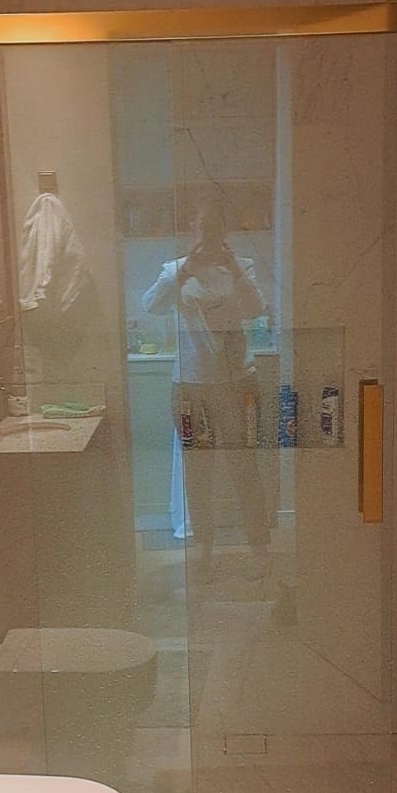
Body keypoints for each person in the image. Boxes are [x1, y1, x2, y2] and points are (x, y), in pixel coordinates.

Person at [142, 201, 270, 580]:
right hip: (190, 389)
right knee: (198, 473)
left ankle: (260, 551)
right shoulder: (174, 271)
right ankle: (203, 552)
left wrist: (232, 266)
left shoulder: (242, 266)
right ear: (192, 229)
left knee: (246, 469)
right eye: (203, 227)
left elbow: (256, 307)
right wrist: (185, 270)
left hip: (238, 385)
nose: (209, 235)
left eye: (215, 227)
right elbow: (151, 306)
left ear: (224, 231)